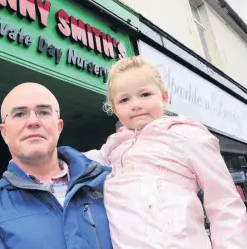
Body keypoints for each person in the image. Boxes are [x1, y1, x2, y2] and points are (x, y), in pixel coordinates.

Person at [85, 56, 247, 249]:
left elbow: (224, 204)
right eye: (124, 99)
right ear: (115, 109)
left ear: (164, 97)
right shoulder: (112, 148)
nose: (135, 104)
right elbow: (72, 162)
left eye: (145, 94)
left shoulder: (188, 136)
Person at [0, 83, 113, 249]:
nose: (33, 121)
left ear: (59, 127)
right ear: (4, 132)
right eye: (19, 114)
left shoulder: (109, 184)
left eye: (43, 112)